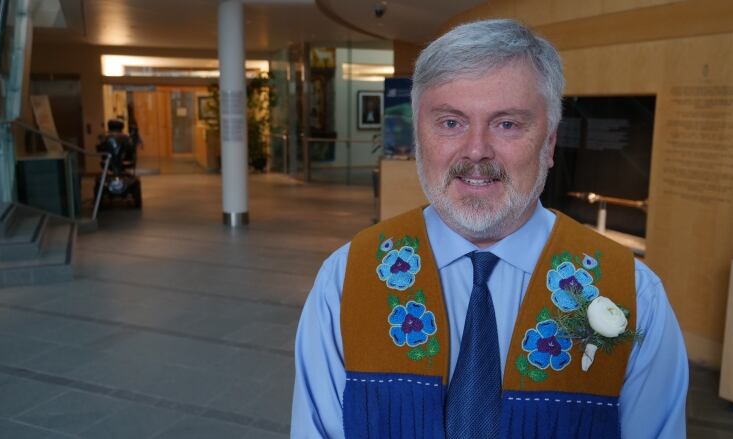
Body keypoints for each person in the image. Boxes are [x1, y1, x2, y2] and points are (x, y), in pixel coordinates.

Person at [292, 19, 687, 439]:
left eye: (507, 124)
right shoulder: (345, 282)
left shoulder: (633, 295)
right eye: (450, 123)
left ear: (549, 144)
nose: (476, 151)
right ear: (419, 136)